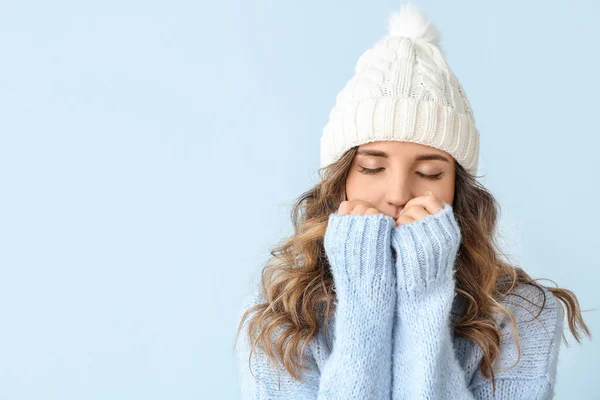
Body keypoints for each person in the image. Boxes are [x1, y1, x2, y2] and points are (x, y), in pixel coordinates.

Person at [232, 2, 591, 399]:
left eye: (430, 173)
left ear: (459, 188)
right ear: (339, 182)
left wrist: (425, 300)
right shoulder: (278, 313)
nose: (399, 195)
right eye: (371, 168)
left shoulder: (523, 315)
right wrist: (364, 303)